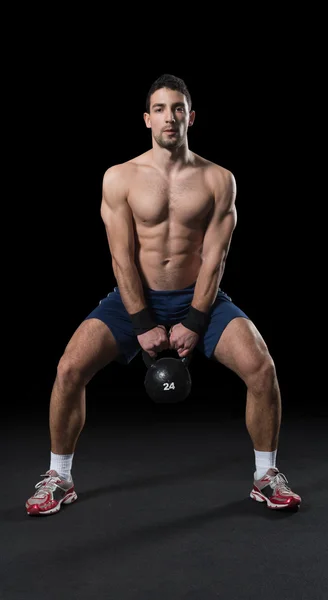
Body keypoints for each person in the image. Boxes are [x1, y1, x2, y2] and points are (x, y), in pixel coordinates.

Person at [26, 73, 301, 516]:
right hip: (136, 298)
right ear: (146, 120)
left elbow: (215, 259)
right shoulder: (120, 178)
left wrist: (195, 320)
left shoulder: (219, 180)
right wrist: (141, 322)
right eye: (159, 109)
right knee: (68, 368)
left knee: (261, 366)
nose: (169, 117)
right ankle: (59, 477)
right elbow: (121, 258)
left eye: (177, 109)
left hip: (199, 296)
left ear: (191, 117)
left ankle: (266, 476)